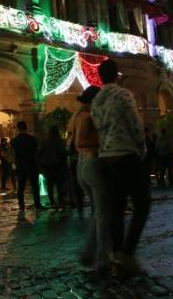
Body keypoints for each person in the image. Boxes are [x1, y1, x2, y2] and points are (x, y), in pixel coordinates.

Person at [92, 59, 149, 276]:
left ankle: (116, 253)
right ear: (117, 75)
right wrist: (141, 150)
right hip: (126, 154)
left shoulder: (97, 99)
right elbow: (135, 125)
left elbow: (98, 127)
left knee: (116, 208)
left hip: (106, 157)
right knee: (142, 204)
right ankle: (127, 251)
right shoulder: (123, 95)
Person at [68, 85, 111, 272]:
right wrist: (102, 142)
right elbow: (79, 142)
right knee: (102, 215)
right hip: (91, 162)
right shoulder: (86, 117)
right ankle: (101, 258)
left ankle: (89, 253)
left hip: (83, 166)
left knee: (98, 212)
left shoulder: (77, 117)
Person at [12, 121, 46, 210]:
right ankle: (37, 204)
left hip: (20, 167)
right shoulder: (32, 139)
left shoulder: (15, 141)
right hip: (32, 165)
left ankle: (21, 206)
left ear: (18, 128)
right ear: (26, 128)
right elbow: (37, 152)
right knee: (35, 187)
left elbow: (13, 154)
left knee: (21, 188)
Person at [39, 125, 68, 211]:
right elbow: (63, 152)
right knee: (60, 186)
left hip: (48, 167)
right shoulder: (60, 141)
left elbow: (40, 153)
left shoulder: (44, 142)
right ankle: (61, 203)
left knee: (50, 186)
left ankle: (52, 203)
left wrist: (41, 165)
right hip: (58, 166)